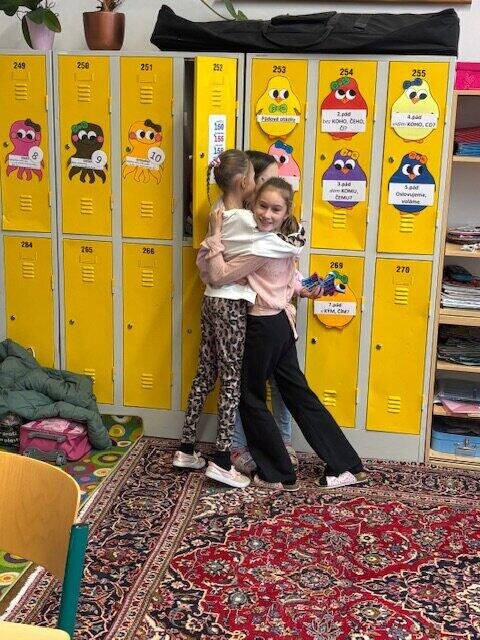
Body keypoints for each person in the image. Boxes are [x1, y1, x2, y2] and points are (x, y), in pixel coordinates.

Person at [202, 177, 367, 490]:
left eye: (275, 209)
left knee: (249, 396)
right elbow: (292, 279)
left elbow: (219, 276)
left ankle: (278, 473)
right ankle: (347, 465)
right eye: (262, 206)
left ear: (286, 211)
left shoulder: (262, 246)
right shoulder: (283, 240)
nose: (267, 214)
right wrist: (309, 288)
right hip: (281, 326)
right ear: (252, 205)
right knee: (298, 394)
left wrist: (214, 234)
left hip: (263, 326)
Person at [173, 150, 302, 489]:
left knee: (205, 374)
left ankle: (186, 448)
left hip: (210, 302)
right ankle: (222, 459)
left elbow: (207, 266)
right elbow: (286, 246)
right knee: (232, 382)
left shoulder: (217, 211)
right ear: (246, 182)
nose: (266, 211)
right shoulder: (247, 221)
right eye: (260, 181)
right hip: (232, 306)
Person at [231, 150, 297, 475]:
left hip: (278, 319)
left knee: (281, 386)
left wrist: (303, 286)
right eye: (266, 179)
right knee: (244, 387)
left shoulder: (282, 228)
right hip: (247, 317)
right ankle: (239, 445)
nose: (273, 185)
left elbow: (287, 270)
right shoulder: (241, 226)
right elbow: (227, 272)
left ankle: (282, 442)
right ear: (250, 183)